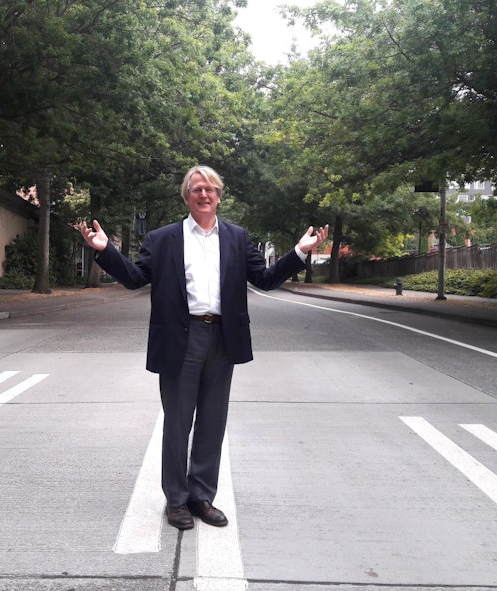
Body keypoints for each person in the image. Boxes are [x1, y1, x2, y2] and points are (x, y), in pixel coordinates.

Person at [75, 165, 327, 530]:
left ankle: (201, 496)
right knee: (178, 424)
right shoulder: (163, 239)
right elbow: (135, 279)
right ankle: (176, 500)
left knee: (212, 423)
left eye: (210, 189)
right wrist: (106, 251)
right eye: (196, 189)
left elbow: (266, 279)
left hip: (223, 338)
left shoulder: (238, 238)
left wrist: (299, 253)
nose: (204, 194)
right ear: (186, 196)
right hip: (181, 337)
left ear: (219, 195)